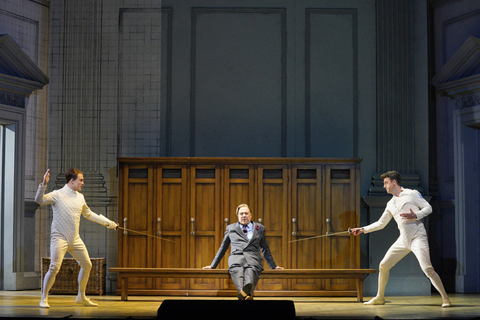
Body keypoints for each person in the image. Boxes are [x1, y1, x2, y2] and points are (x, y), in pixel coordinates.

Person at [350, 171, 451, 307]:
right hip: (403, 240)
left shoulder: (412, 194)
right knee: (383, 265)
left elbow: (428, 208)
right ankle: (380, 297)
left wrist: (416, 215)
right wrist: (362, 229)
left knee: (427, 269)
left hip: (417, 237)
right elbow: (381, 223)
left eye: (386, 183)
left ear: (394, 182)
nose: (384, 186)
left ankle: (446, 299)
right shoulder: (390, 204)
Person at [36, 168, 118, 308]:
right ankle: (44, 298)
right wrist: (43, 184)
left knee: (87, 265)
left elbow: (88, 214)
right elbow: (39, 200)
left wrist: (108, 223)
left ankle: (81, 296)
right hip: (59, 237)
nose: (83, 183)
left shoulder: (80, 197)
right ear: (72, 181)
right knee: (54, 267)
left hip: (75, 239)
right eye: (81, 180)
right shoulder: (57, 194)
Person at [203, 204, 283, 300]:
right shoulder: (231, 228)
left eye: (246, 213)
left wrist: (273, 266)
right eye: (241, 213)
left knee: (251, 271)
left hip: (253, 259)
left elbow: (265, 248)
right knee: (237, 270)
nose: (244, 215)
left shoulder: (259, 228)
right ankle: (246, 295)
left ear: (251, 215)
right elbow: (223, 247)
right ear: (238, 216)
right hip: (236, 258)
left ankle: (243, 295)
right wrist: (213, 265)